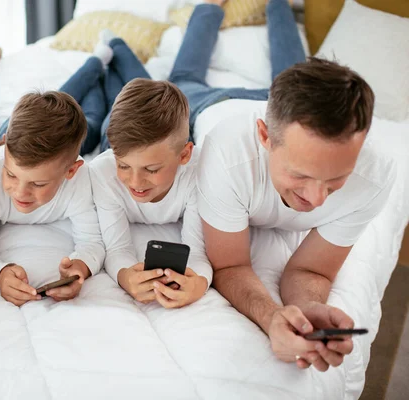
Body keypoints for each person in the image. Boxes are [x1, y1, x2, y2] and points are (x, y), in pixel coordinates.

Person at [197, 58, 396, 372]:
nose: (316, 200)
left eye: (335, 180)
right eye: (300, 175)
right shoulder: (227, 153)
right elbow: (230, 265)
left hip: (277, 106)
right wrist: (271, 317)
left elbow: (311, 271)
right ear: (265, 137)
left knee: (290, 61)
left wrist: (308, 309)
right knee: (182, 77)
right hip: (213, 104)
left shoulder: (376, 175)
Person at [0, 91, 105, 306]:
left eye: (38, 184)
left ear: (71, 171)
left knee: (94, 120)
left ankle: (98, 68)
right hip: (2, 140)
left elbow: (92, 241)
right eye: (11, 175)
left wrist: (81, 266)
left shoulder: (81, 181)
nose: (20, 192)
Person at [90, 78, 212, 308]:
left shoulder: (199, 174)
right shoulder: (102, 173)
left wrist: (199, 283)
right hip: (110, 136)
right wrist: (126, 277)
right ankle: (102, 68)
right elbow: (117, 248)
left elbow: (197, 251)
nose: (135, 182)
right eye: (123, 165)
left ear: (184, 155)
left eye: (152, 169)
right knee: (95, 116)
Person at [0, 31, 151, 156]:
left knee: (59, 100)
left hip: (22, 128)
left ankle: (98, 63)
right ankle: (101, 64)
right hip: (61, 138)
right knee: (107, 111)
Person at [169, 0, 306, 142]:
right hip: (268, 106)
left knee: (182, 81)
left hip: (212, 107)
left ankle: (213, 6)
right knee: (294, 85)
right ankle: (278, 4)